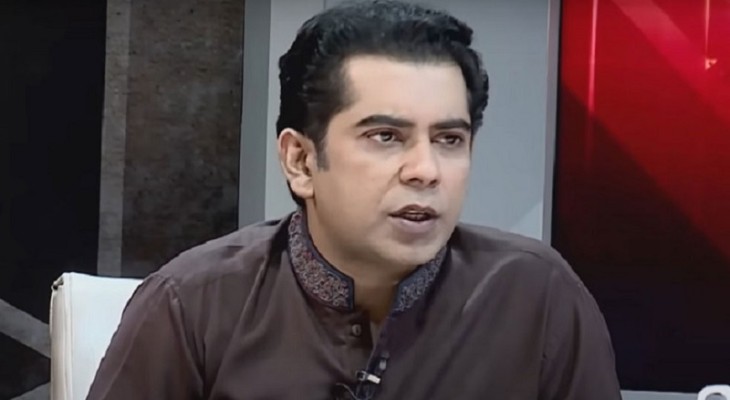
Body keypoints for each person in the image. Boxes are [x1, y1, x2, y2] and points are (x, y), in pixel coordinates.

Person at [87, 1, 622, 399]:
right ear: (300, 161)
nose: (426, 170)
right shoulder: (191, 305)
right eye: (386, 137)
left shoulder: (537, 298)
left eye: (449, 139)